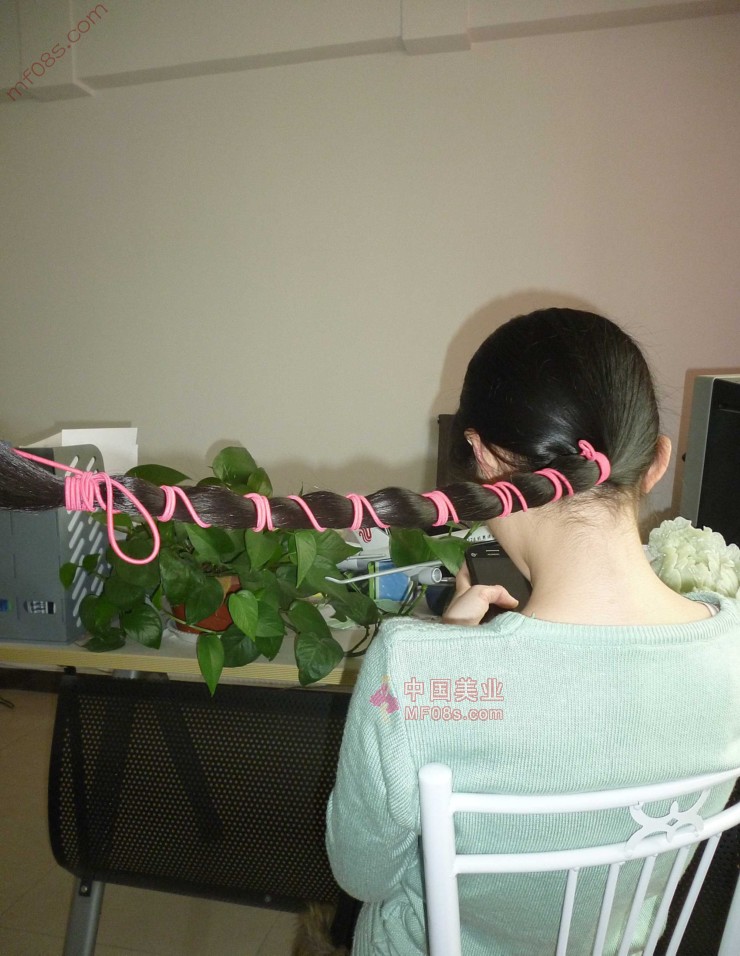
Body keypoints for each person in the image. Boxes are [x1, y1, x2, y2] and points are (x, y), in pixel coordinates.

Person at [324, 308, 740, 955]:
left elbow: (363, 875)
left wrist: (447, 654)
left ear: (484, 456)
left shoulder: (412, 674)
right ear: (656, 461)